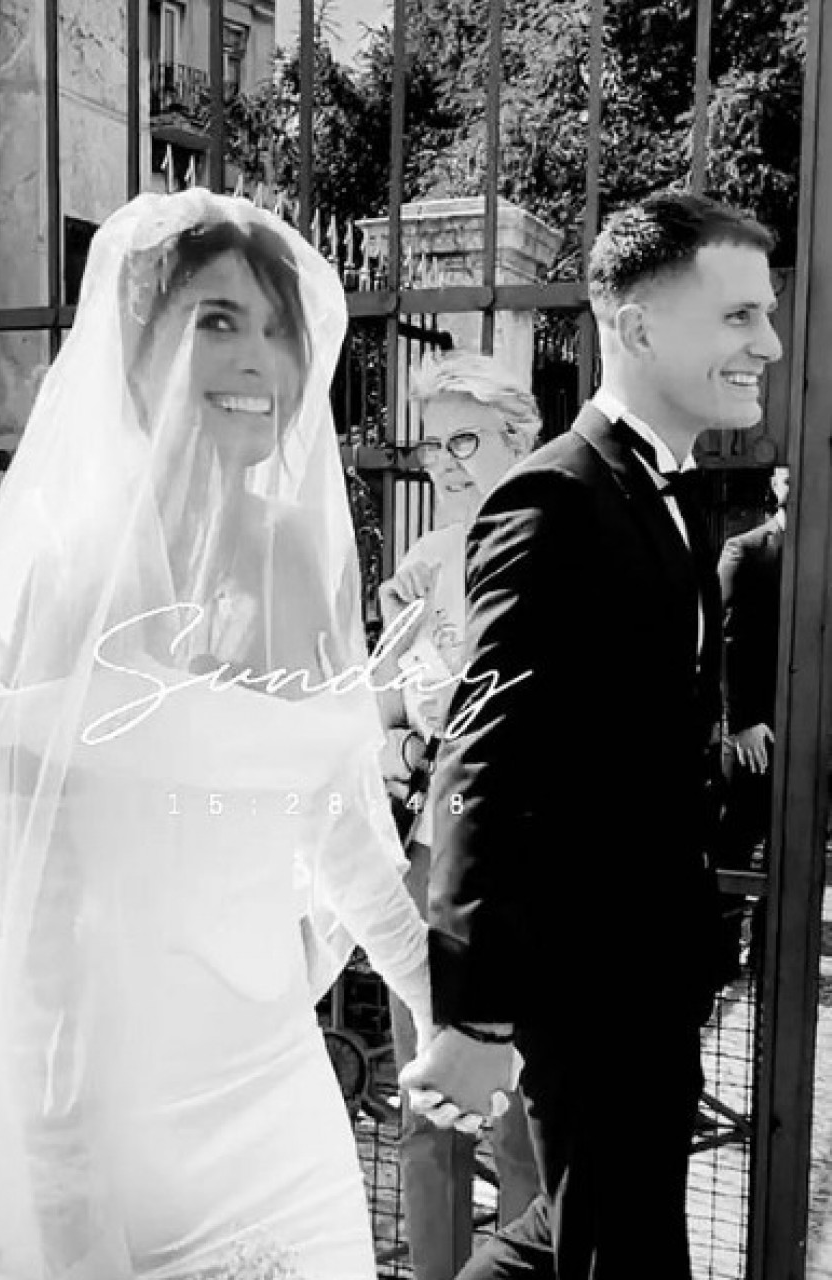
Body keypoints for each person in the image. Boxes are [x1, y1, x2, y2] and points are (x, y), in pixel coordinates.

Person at [0, 190, 434, 1280]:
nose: (258, 357)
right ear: (136, 350)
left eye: (277, 328)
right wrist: (70, 1206)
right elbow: (34, 926)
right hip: (122, 1124)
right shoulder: (76, 578)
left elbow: (333, 829)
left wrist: (442, 1001)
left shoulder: (294, 561)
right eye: (217, 319)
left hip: (278, 1100)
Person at [400, 191, 783, 1279]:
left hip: (654, 959)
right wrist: (477, 1019)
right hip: (588, 973)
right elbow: (485, 758)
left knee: (586, 1233)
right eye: (740, 315)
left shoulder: (670, 494)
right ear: (642, 327)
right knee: (612, 1242)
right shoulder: (554, 499)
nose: (768, 343)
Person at [375, 351, 542, 1280]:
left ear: (521, 437)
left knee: (522, 1122)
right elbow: (381, 710)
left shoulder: (560, 544)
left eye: (464, 440)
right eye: (432, 445)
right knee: (426, 1107)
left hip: (524, 870)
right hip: (428, 862)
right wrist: (407, 730)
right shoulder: (426, 562)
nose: (443, 461)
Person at [717, 464, 789, 975]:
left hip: (808, 732)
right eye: (787, 475)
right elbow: (723, 640)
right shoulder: (745, 549)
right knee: (738, 843)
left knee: (794, 853)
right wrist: (742, 720)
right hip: (756, 734)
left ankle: (771, 957)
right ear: (774, 484)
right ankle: (722, 956)